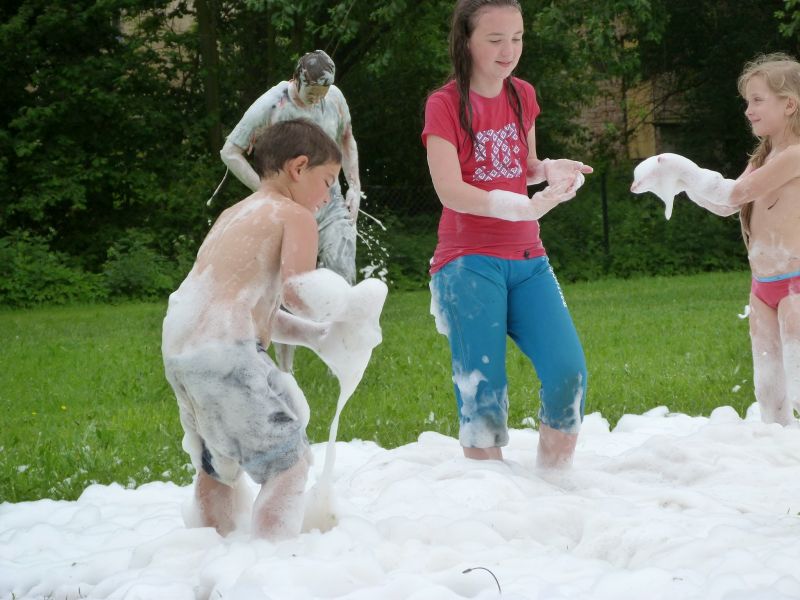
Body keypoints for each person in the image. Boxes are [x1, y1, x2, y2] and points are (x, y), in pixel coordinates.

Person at [163, 119, 370, 540]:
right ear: (299, 167)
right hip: (228, 355)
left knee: (218, 465)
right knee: (289, 464)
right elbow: (296, 292)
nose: (328, 196)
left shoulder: (234, 214)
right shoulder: (294, 216)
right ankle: (272, 561)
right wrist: (346, 309)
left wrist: (315, 337)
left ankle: (210, 546)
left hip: (184, 351)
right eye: (327, 181)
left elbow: (251, 308)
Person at [422, 0, 593, 468]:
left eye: (517, 38)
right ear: (466, 42)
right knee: (484, 393)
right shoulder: (444, 104)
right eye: (495, 40)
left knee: (568, 374)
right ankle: (491, 504)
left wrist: (549, 169)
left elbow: (523, 167)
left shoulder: (521, 95)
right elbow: (449, 189)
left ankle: (555, 488)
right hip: (467, 262)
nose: (509, 50)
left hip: (528, 259)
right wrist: (517, 206)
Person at [631, 53, 800, 426]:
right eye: (747, 101)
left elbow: (737, 193)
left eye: (757, 100)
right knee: (769, 392)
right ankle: (780, 454)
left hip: (795, 284)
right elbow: (726, 205)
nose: (748, 110)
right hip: (763, 286)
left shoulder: (794, 156)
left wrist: (682, 168)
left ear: (789, 104)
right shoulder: (763, 156)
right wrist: (680, 182)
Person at [221, 50, 361, 372]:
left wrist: (354, 187)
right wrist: (267, 190)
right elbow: (230, 151)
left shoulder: (334, 98)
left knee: (343, 271)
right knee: (288, 286)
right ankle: (286, 368)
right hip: (289, 205)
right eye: (312, 94)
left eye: (322, 93)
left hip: (330, 201)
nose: (317, 100)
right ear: (296, 80)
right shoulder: (271, 105)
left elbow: (347, 139)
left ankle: (341, 357)